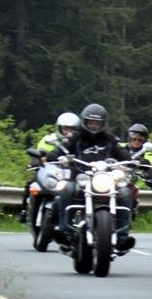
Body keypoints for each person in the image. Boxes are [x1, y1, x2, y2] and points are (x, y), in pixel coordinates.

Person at [53, 103, 137, 251]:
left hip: (105, 179)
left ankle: (122, 236)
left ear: (103, 123)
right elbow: (60, 150)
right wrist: (48, 157)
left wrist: (135, 162)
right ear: (84, 122)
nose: (94, 126)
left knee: (125, 193)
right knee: (66, 189)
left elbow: (124, 155)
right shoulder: (76, 137)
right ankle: (65, 232)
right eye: (91, 123)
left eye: (97, 123)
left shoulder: (110, 139)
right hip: (81, 178)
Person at [125, 123, 152, 190]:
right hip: (120, 180)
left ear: (144, 141)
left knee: (151, 175)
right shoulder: (121, 148)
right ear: (129, 139)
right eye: (134, 139)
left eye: (140, 140)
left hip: (139, 185)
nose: (136, 142)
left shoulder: (147, 152)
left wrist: (146, 163)